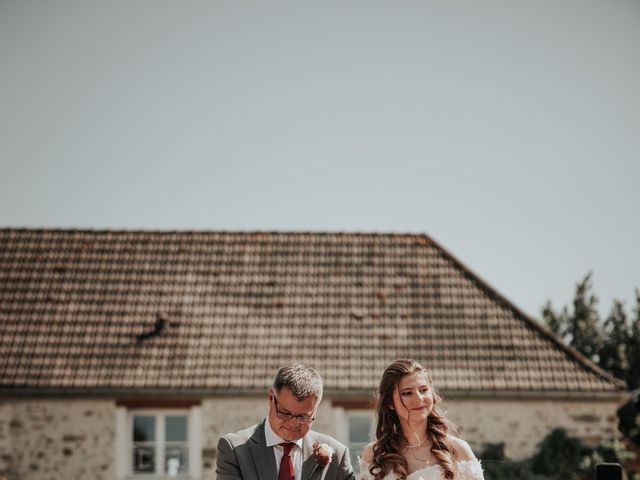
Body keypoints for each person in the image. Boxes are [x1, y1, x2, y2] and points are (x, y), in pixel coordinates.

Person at [217, 364, 356, 480]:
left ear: (315, 410)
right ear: (271, 398)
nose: (293, 424)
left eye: (303, 416)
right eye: (285, 413)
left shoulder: (338, 454)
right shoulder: (234, 449)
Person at [359, 359, 483, 480]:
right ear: (390, 403)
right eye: (407, 393)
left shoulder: (457, 449)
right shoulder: (374, 454)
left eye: (423, 390)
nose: (419, 398)